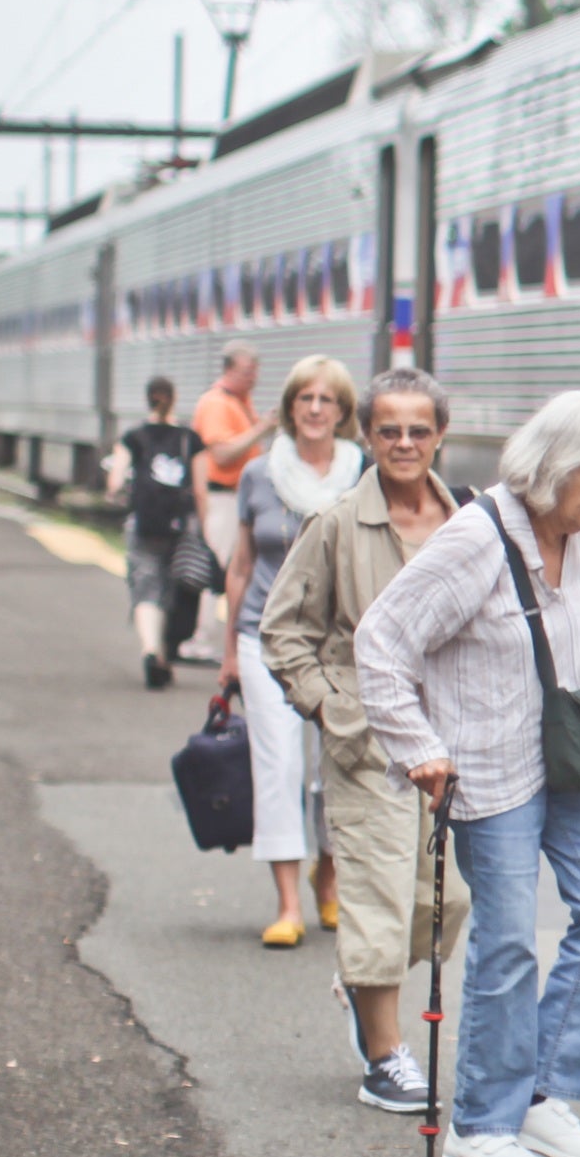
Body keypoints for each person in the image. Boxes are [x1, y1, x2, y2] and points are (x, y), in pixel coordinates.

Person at [358, 390, 580, 1157]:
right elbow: (381, 642)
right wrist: (416, 746)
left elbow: (578, 638)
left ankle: (544, 1096)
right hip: (488, 768)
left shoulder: (576, 535)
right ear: (550, 470)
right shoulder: (475, 540)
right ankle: (481, 1124)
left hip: (568, 758)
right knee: (508, 941)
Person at [261, 367, 470, 1114]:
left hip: (455, 743)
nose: (405, 443)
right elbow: (283, 631)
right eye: (390, 430)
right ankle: (384, 1056)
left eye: (420, 430)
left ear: (441, 435)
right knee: (379, 897)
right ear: (367, 436)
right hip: (371, 743)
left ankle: (363, 985)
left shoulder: (471, 525)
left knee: (437, 903)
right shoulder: (338, 524)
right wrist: (332, 709)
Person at [226, 356, 361, 947]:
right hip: (264, 638)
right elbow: (240, 564)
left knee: (330, 767)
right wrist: (230, 648)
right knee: (279, 765)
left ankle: (326, 878)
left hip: (337, 646)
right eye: (304, 397)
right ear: (288, 407)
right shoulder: (258, 474)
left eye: (326, 399)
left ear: (342, 411)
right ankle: (287, 905)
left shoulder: (364, 474)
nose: (314, 409)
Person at [103, 376, 200, 689]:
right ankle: (166, 652)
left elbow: (115, 483)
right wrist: (205, 532)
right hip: (180, 527)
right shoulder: (189, 438)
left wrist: (118, 494)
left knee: (146, 589)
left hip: (145, 524)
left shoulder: (133, 436)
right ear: (174, 398)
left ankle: (151, 650)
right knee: (172, 590)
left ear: (148, 399)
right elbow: (201, 490)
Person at [188, 344, 268, 660]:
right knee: (214, 568)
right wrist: (262, 429)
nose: (254, 378)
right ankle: (199, 637)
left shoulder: (240, 401)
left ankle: (232, 637)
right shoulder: (216, 404)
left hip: (238, 497)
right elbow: (221, 454)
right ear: (228, 370)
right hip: (221, 497)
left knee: (240, 568)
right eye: (247, 372)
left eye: (255, 372)